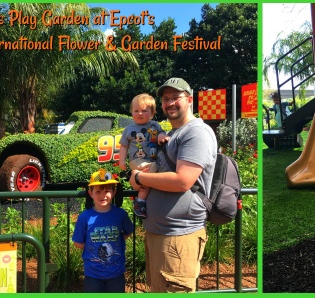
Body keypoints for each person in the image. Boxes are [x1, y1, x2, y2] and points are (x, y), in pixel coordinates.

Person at [129, 77, 217, 293]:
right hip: (160, 233)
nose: (169, 103)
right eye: (165, 99)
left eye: (175, 97)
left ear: (189, 99)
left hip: (178, 236)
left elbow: (183, 181)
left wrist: (139, 179)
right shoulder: (169, 135)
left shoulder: (196, 133)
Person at [72, 169, 135, 292]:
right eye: (98, 191)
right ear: (90, 193)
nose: (103, 195)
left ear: (114, 192)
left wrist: (115, 241)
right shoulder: (85, 217)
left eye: (107, 191)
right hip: (93, 274)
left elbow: (128, 231)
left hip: (116, 273)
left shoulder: (120, 214)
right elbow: (77, 242)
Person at [119, 94, 169, 218]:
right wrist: (121, 161)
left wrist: (161, 136)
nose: (139, 113)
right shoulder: (129, 129)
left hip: (151, 160)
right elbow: (124, 146)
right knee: (152, 172)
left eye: (144, 111)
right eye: (136, 111)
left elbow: (161, 133)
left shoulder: (154, 125)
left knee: (150, 176)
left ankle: (140, 192)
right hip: (137, 160)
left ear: (152, 113)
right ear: (131, 112)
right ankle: (140, 201)